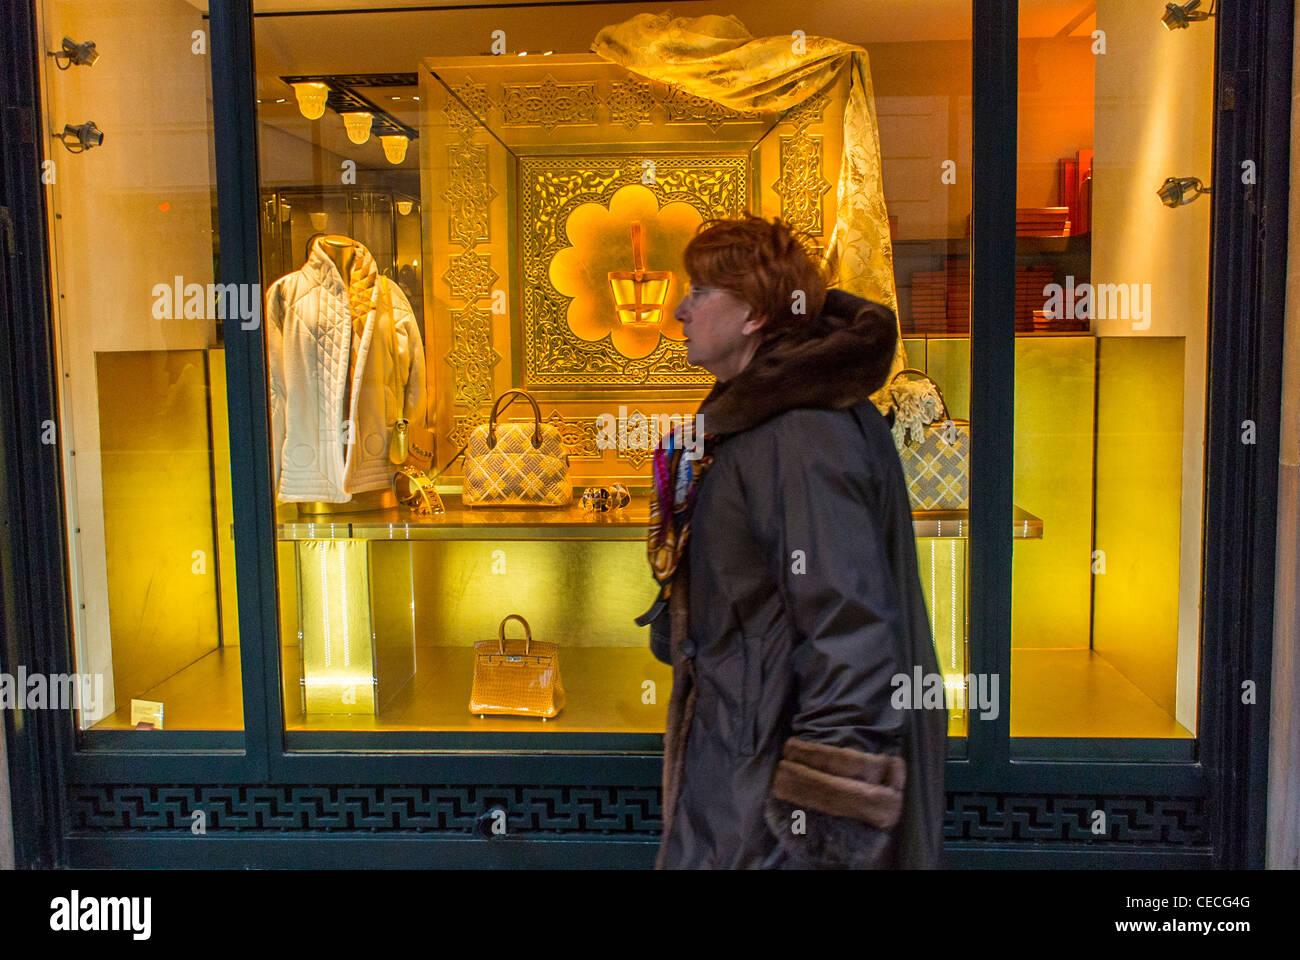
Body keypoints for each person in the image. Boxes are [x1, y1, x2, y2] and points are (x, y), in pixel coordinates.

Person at [641, 214, 946, 869]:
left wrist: (817, 827)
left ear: (753, 314)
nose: (679, 309)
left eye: (699, 291)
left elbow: (851, 631)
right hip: (740, 766)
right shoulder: (757, 421)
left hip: (769, 808)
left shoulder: (801, 437)